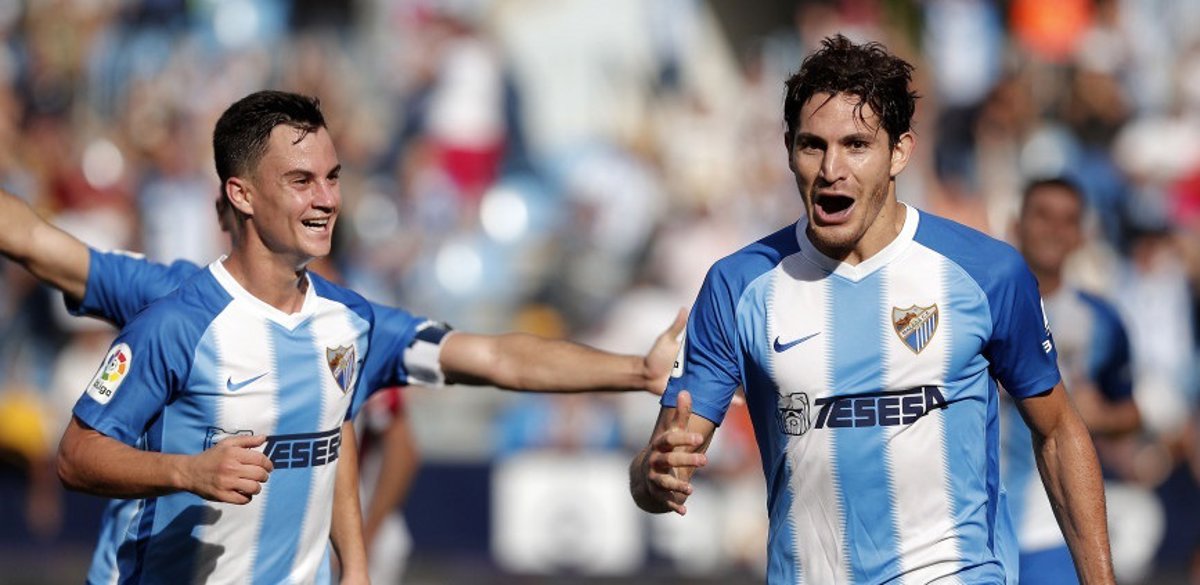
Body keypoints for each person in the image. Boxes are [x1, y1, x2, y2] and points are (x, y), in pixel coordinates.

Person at [31, 90, 680, 584]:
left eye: (334, 177)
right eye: (301, 181)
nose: (327, 199)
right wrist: (187, 471)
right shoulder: (177, 321)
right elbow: (77, 455)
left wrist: (635, 370)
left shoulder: (351, 322)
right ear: (241, 195)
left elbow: (490, 358)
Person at [629, 35, 1116, 584]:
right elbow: (662, 465)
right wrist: (653, 477)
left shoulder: (986, 273)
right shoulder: (737, 285)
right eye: (812, 145)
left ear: (899, 152)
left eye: (856, 145)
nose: (831, 168)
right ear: (788, 148)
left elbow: (1059, 432)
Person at [1004, 177, 1142, 584]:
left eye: (1067, 220)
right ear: (1016, 224)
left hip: (1052, 532)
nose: (1054, 230)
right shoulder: (976, 305)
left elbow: (1131, 412)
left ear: (1081, 235)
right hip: (972, 527)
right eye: (1043, 216)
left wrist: (1095, 417)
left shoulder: (1102, 320)